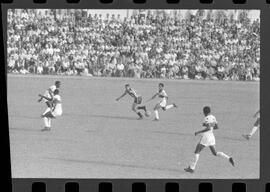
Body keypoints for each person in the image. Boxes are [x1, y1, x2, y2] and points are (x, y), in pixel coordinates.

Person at [184, 106, 235, 173]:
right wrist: (211, 126)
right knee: (215, 153)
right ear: (210, 111)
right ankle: (229, 158)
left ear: (204, 112)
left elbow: (207, 128)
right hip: (211, 137)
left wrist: (198, 132)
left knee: (197, 151)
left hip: (206, 137)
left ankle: (191, 168)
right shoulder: (213, 117)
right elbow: (216, 127)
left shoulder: (206, 118)